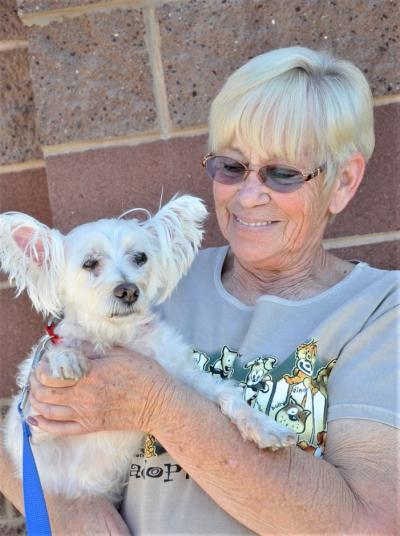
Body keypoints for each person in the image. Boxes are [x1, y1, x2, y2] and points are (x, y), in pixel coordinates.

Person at [1, 46, 399, 534]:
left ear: (343, 182)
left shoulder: (379, 310)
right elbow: (28, 425)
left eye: (283, 173)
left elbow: (368, 523)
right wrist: (74, 511)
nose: (250, 195)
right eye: (232, 167)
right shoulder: (151, 282)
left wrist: (159, 404)